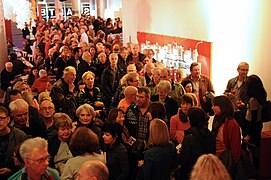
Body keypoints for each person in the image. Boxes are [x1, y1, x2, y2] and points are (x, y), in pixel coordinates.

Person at [178, 107, 216, 180]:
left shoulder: (189, 138)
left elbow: (183, 160)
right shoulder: (209, 134)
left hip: (192, 173)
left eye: (188, 117)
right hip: (207, 172)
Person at [211, 95, 242, 177]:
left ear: (222, 106)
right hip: (217, 159)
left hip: (226, 162)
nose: (212, 107)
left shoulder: (232, 124)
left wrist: (231, 166)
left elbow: (236, 150)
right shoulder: (217, 120)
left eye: (214, 105)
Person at [243, 74, 266, 174]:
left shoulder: (253, 100)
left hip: (251, 128)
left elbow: (253, 118)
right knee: (256, 151)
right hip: (258, 126)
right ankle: (256, 172)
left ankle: (252, 173)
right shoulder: (262, 96)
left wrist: (249, 134)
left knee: (250, 152)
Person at [0, 106, 28, 179]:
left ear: (8, 119)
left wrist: (11, 170)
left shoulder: (20, 136)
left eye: (1, 119)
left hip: (15, 176)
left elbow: (26, 161)